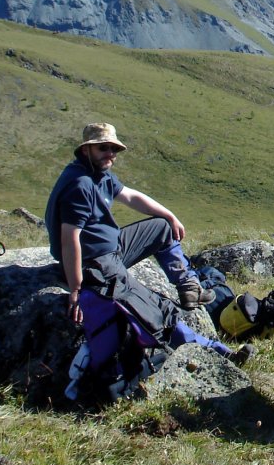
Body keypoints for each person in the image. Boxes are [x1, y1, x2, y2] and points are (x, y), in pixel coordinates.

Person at [45, 122, 217, 349]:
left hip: (112, 248)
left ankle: (190, 289)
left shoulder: (99, 174)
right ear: (86, 149)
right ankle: (210, 348)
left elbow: (131, 197)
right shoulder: (80, 184)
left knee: (162, 226)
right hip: (96, 263)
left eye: (113, 149)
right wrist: (76, 289)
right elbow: (69, 240)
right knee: (152, 305)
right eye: (103, 148)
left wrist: (170, 215)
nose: (110, 154)